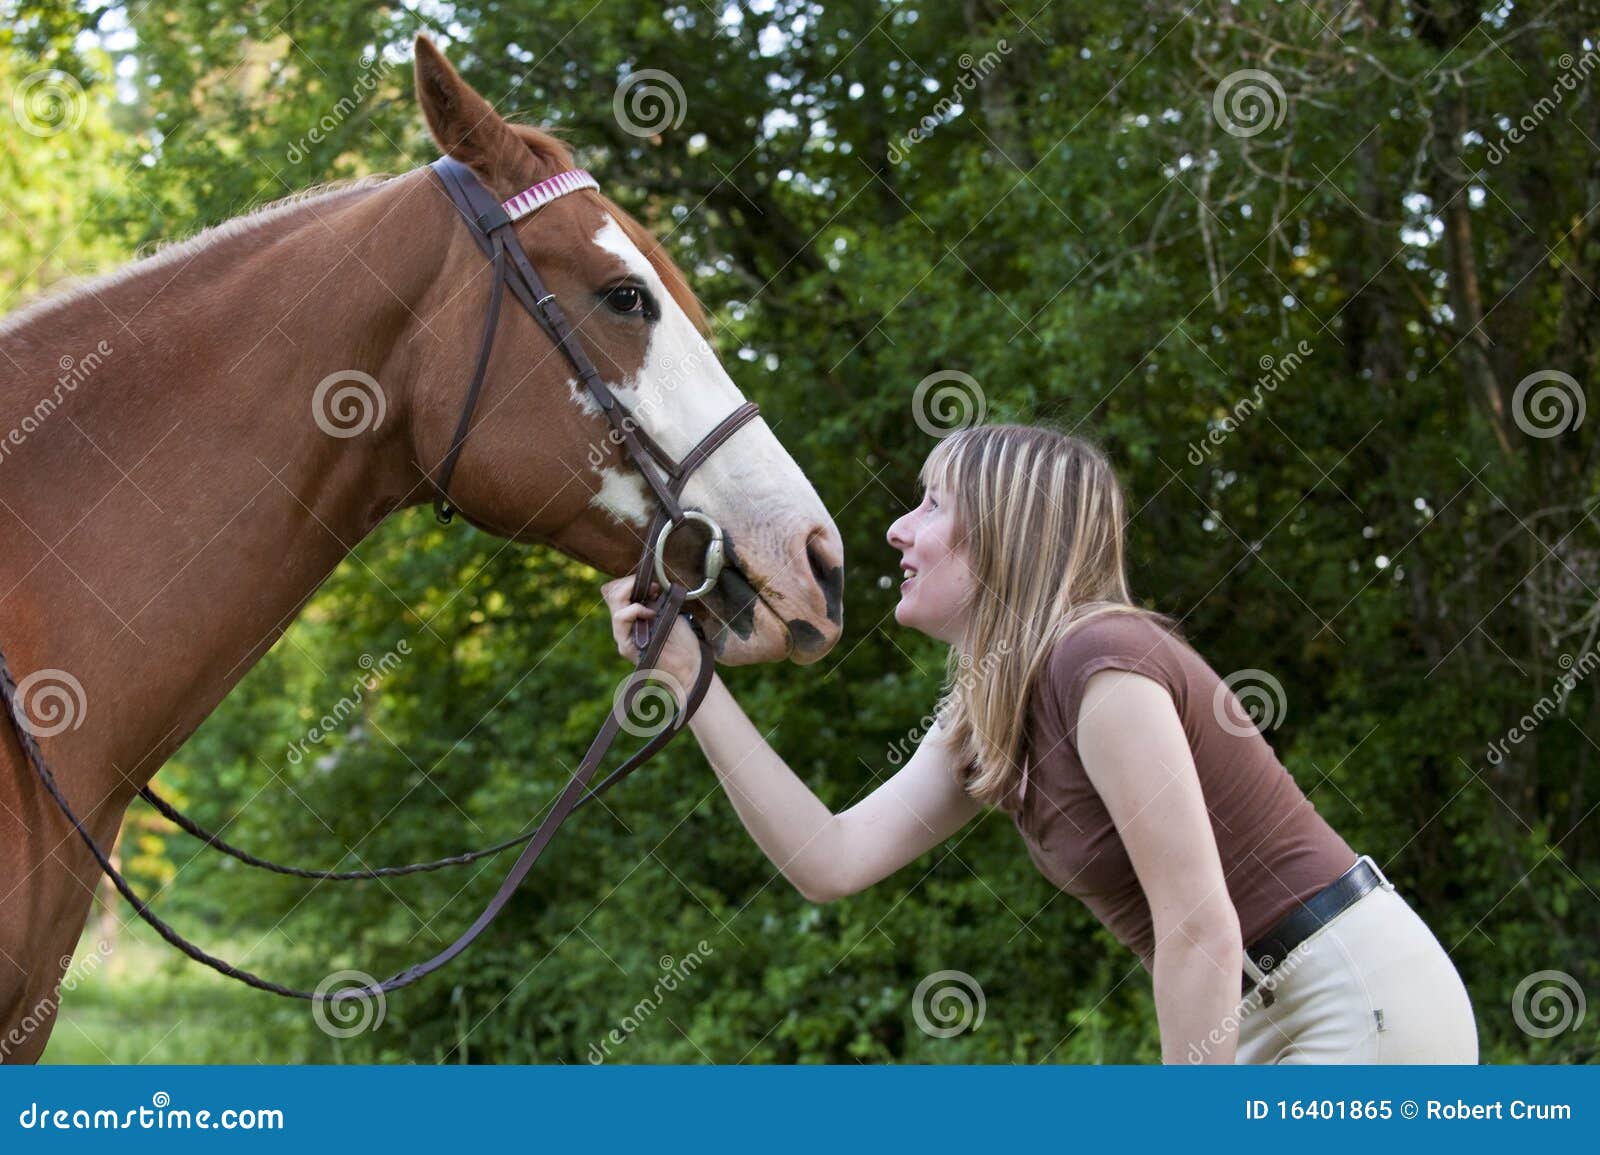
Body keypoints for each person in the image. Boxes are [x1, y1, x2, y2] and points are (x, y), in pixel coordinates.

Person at [601, 423, 1478, 1064]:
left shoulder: (1102, 664)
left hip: (1354, 1001)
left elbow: (1202, 927)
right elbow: (830, 859)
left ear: (1007, 532)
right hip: (1256, 1017)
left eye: (931, 503)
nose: (897, 529)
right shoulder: (991, 705)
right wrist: (690, 681)